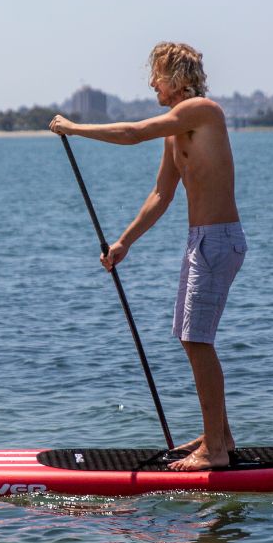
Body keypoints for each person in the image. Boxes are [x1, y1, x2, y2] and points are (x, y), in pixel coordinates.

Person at [49, 41, 246, 472]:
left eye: (156, 74)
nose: (152, 82)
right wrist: (123, 243)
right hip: (202, 241)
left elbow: (133, 133)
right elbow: (162, 193)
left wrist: (75, 129)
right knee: (190, 336)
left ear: (175, 78)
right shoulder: (178, 129)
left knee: (197, 339)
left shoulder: (201, 111)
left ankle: (214, 450)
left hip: (217, 240)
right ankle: (222, 437)